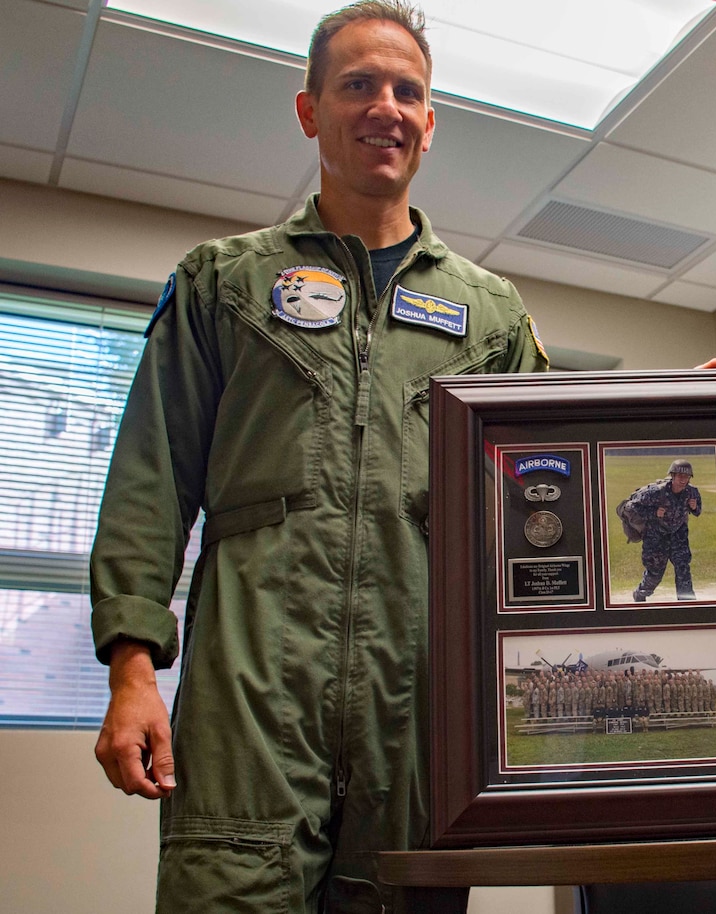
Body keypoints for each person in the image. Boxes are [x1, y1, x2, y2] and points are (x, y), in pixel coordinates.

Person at [88, 3, 548, 911]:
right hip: (251, 699)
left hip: (418, 717)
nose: (386, 105)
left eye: (407, 91)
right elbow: (152, 478)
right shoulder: (226, 283)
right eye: (359, 85)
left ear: (429, 124)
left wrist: (656, 424)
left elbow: (540, 499)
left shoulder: (490, 315)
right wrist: (133, 673)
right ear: (310, 111)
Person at [620, 459, 703, 602]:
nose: (683, 480)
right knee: (655, 574)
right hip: (655, 536)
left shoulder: (692, 492)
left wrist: (695, 507)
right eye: (680, 476)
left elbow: (697, 511)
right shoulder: (656, 492)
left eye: (687, 477)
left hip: (678, 535)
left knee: (683, 568)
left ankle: (687, 603)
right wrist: (653, 513)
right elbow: (629, 507)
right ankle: (640, 594)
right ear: (673, 476)